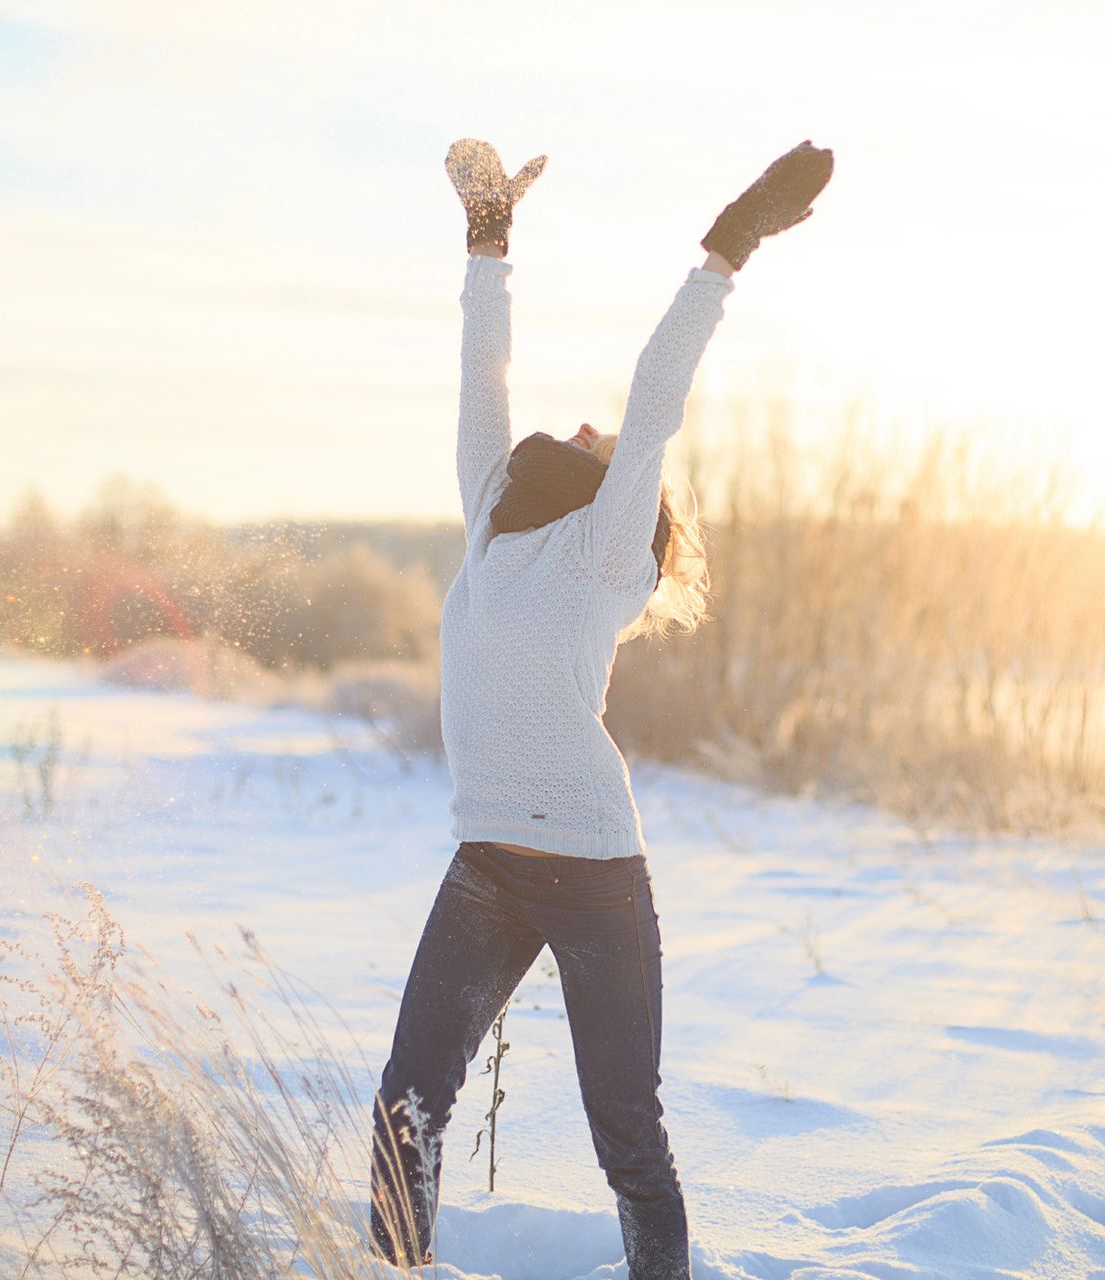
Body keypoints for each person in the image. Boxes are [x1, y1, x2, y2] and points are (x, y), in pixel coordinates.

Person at [368, 137, 834, 1277]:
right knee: (405, 1103)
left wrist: (728, 245)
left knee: (626, 1135)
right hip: (488, 858)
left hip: (590, 869)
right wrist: (488, 239)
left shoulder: (597, 546)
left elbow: (655, 395)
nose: (583, 429)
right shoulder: (494, 519)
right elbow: (483, 380)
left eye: (598, 443)